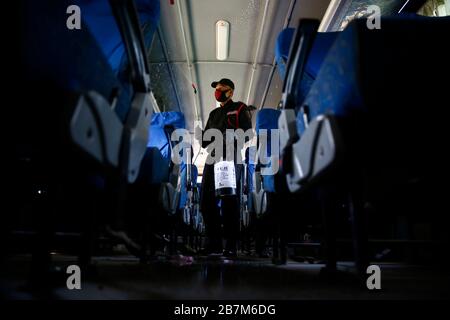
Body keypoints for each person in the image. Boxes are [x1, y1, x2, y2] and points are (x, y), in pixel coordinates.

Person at [200, 78, 252, 257]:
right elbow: (206, 141)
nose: (218, 92)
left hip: (230, 156)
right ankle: (213, 243)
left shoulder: (240, 108)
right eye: (217, 89)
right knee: (206, 200)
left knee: (229, 200)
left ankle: (230, 244)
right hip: (212, 157)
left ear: (230, 92)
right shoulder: (214, 114)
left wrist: (230, 137)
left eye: (222, 89)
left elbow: (247, 132)